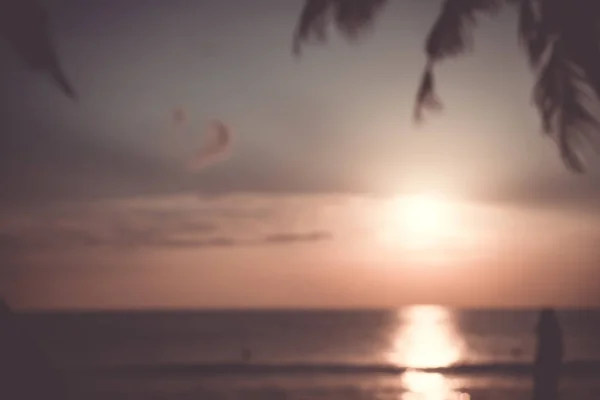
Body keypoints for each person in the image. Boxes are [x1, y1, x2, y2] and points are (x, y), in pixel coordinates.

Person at [532, 308, 563, 400]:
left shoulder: (547, 328)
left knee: (544, 386)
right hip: (549, 361)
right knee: (549, 386)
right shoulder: (554, 328)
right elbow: (560, 347)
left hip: (545, 360)